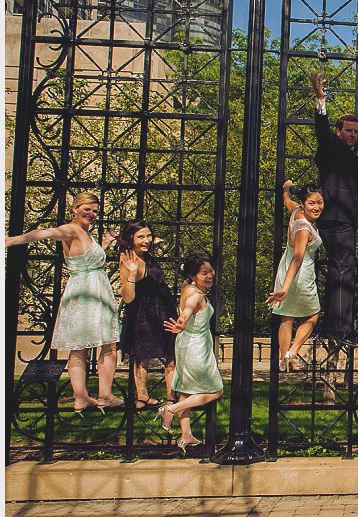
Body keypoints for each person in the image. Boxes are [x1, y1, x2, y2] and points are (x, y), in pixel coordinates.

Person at [5, 191, 122, 414]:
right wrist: (13, 241)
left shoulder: (86, 233)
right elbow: (45, 233)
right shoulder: (71, 229)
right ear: (75, 209)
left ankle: (89, 397)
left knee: (100, 345)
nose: (92, 214)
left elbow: (90, 260)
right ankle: (93, 396)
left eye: (95, 211)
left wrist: (105, 242)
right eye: (87, 209)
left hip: (94, 289)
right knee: (91, 346)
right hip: (85, 292)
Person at [311, 72, 358, 346]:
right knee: (344, 273)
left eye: (356, 132)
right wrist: (321, 100)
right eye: (348, 131)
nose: (353, 135)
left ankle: (332, 328)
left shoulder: (350, 154)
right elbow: (321, 131)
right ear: (338, 132)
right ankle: (340, 330)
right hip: (337, 218)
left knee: (338, 272)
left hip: (344, 220)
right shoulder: (332, 147)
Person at [161, 253, 224, 453]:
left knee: (186, 390)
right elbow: (187, 310)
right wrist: (182, 321)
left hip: (185, 343)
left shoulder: (187, 288)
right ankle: (170, 409)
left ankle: (186, 434)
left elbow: (187, 309)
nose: (210, 275)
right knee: (216, 391)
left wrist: (182, 324)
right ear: (192, 275)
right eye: (204, 273)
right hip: (196, 347)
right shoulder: (196, 295)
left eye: (210, 271)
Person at [118, 219, 177, 408]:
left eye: (149, 236)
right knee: (142, 357)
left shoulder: (146, 255)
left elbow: (150, 241)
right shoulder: (129, 260)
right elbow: (127, 297)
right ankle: (141, 397)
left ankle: (171, 398)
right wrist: (132, 275)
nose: (147, 240)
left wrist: (153, 240)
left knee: (171, 356)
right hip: (144, 316)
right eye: (141, 236)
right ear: (130, 238)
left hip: (163, 311)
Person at [265, 181, 324, 372]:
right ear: (304, 203)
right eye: (312, 203)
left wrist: (286, 188)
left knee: (287, 317)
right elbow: (298, 259)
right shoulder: (304, 228)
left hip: (285, 270)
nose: (317, 207)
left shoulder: (295, 211)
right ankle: (293, 351)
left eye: (320, 202)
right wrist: (285, 288)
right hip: (300, 275)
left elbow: (286, 200)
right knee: (313, 315)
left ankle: (285, 359)